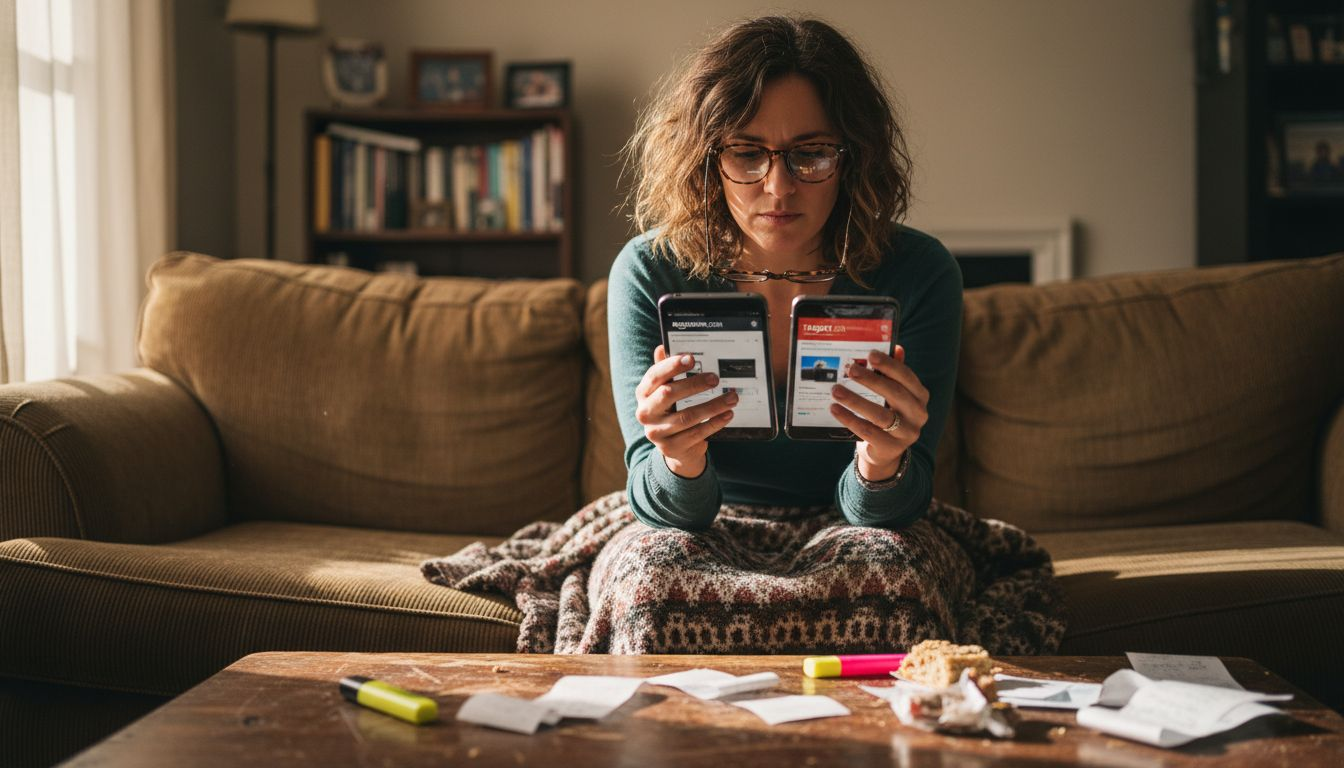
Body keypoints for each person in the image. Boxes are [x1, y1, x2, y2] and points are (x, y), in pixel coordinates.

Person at [609, 15, 963, 532]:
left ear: (853, 159)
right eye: (748, 153)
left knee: (888, 580)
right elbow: (663, 513)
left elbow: (893, 514)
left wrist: (881, 464)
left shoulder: (919, 273)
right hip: (702, 529)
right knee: (654, 581)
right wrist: (678, 459)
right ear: (707, 160)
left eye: (812, 154)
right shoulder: (650, 271)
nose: (778, 187)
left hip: (855, 531)